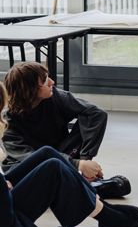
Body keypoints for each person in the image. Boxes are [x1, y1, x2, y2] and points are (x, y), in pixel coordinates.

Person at [0, 82, 138, 227]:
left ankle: (102, 206)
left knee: (47, 153)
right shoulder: (11, 123)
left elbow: (96, 113)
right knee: (53, 168)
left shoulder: (55, 97)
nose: (3, 121)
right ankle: (106, 215)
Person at [1, 62, 130, 199]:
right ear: (30, 91)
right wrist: (77, 164)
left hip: (63, 154)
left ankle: (76, 183)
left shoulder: (55, 96)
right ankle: (81, 187)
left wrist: (85, 161)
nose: (51, 82)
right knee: (26, 177)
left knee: (88, 119)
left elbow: (96, 114)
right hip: (29, 166)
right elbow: (32, 158)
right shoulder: (6, 121)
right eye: (44, 81)